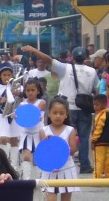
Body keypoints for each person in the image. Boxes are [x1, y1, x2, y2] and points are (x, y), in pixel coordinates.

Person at [21, 45, 97, 173]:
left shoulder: (65, 68)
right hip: (85, 108)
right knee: (84, 138)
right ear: (86, 57)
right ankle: (85, 165)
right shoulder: (92, 71)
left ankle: (60, 162)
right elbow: (97, 88)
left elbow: (48, 59)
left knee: (63, 135)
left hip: (66, 109)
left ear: (72, 57)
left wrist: (34, 50)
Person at [38, 98, 79, 201]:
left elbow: (73, 150)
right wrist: (48, 143)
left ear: (66, 115)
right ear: (49, 113)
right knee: (50, 200)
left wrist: (62, 147)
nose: (58, 116)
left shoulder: (70, 130)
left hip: (67, 169)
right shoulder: (44, 131)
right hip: (50, 170)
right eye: (55, 113)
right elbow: (42, 152)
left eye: (61, 113)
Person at [16, 78, 46, 181]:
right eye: (28, 90)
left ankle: (39, 179)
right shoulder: (22, 104)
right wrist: (16, 115)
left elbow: (34, 112)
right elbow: (20, 117)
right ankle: (26, 178)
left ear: (38, 91)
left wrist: (27, 115)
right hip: (26, 133)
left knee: (38, 159)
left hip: (38, 133)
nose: (30, 93)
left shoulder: (41, 102)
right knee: (27, 157)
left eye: (33, 90)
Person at [92, 94, 108, 180]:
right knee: (107, 161)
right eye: (94, 105)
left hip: (100, 143)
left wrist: (94, 140)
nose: (95, 107)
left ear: (104, 104)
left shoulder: (100, 115)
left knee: (99, 160)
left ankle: (97, 178)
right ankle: (107, 177)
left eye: (97, 104)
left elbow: (98, 128)